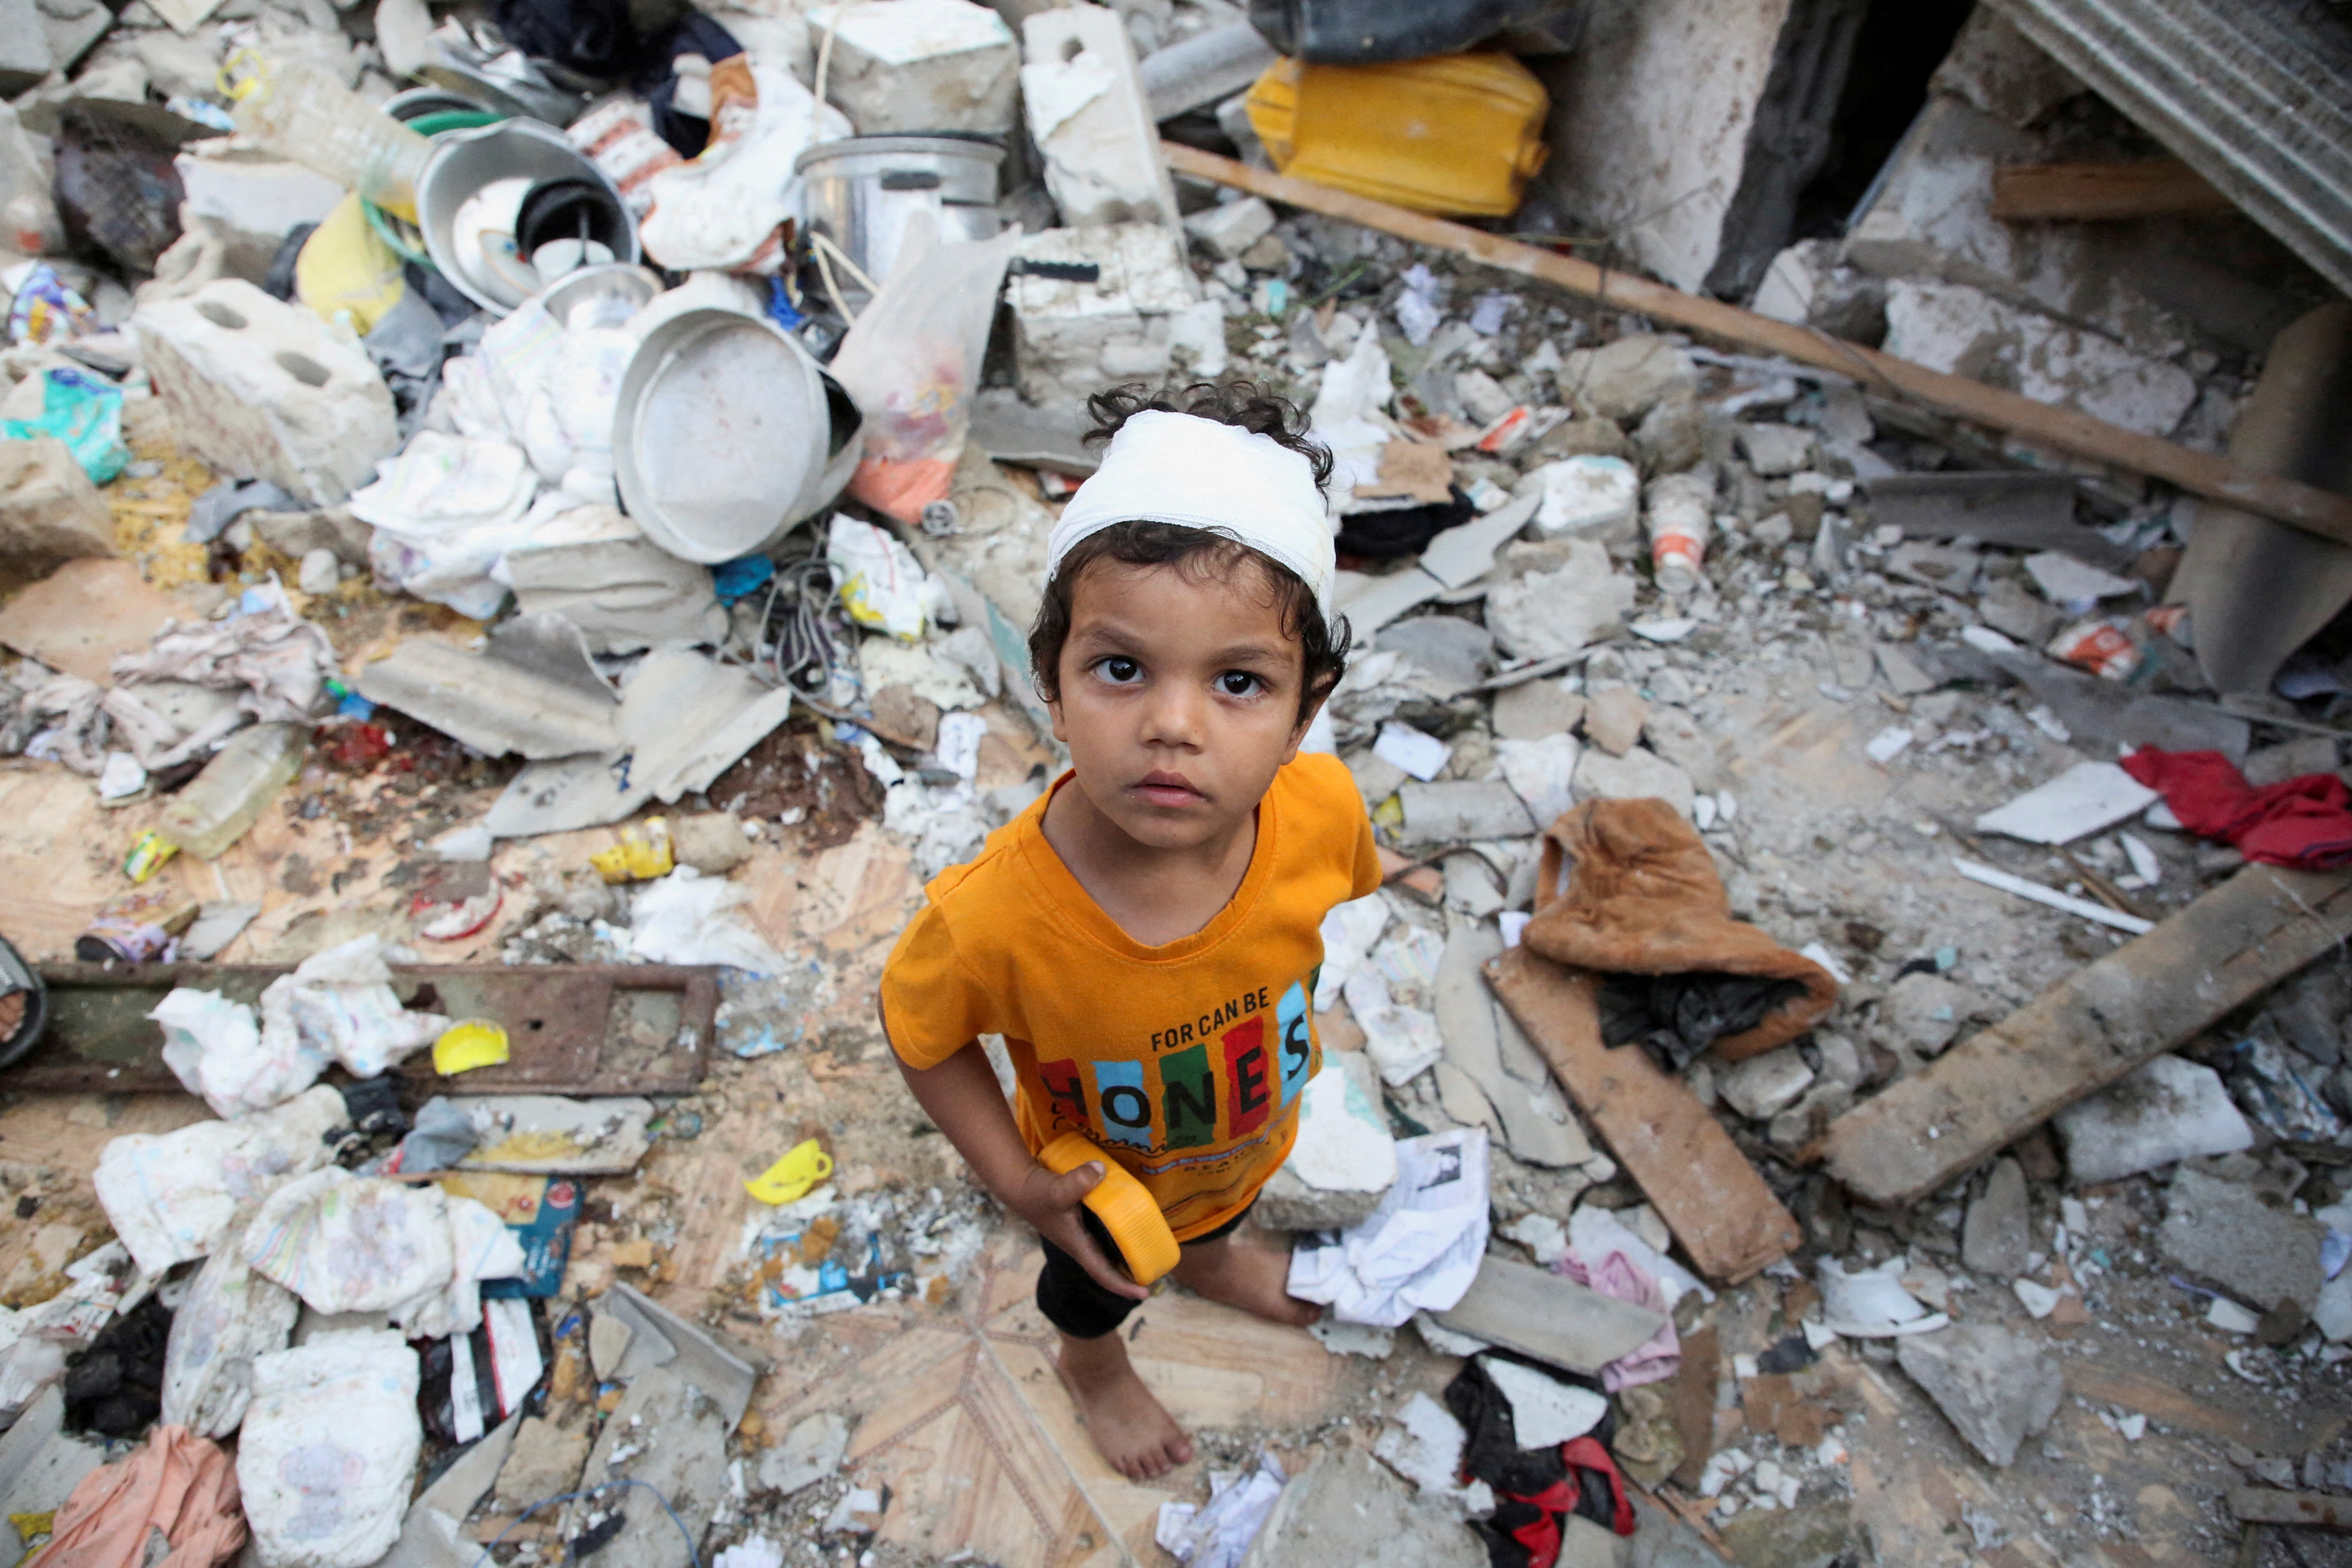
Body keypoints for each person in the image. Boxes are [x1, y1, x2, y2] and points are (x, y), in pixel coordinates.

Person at [880, 381, 1381, 1480]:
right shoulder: (994, 918)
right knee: (1097, 1290)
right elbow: (921, 1033)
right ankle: (1091, 1370)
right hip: (1096, 1196)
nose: (1170, 723)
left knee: (1220, 1210)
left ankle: (1210, 1256)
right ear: (1051, 685)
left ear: (1306, 710)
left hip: (1248, 1140)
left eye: (1239, 682)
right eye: (1120, 669)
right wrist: (1016, 1181)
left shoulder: (1325, 815)